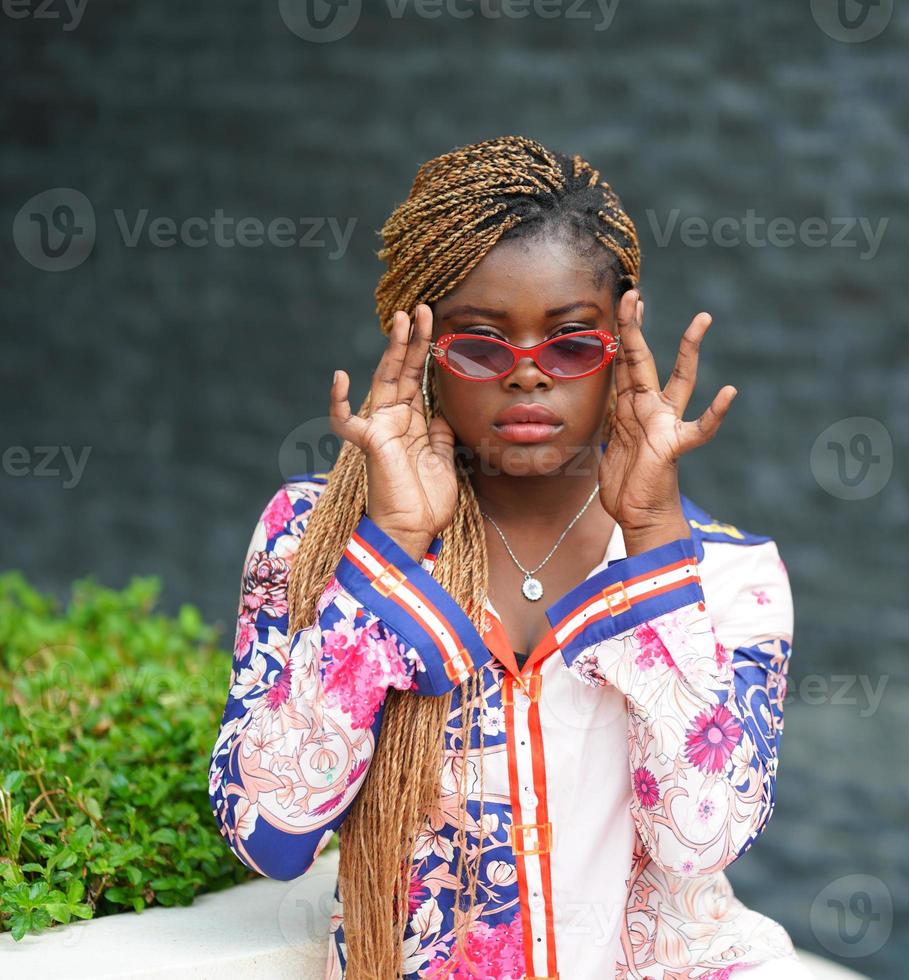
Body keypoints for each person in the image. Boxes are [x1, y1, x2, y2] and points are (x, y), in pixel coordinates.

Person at [207, 135, 805, 979]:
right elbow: (266, 831)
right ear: (420, 348)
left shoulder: (728, 576)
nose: (528, 377)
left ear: (620, 343)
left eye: (569, 344)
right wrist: (389, 551)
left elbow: (697, 836)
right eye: (483, 346)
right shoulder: (315, 537)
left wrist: (656, 538)